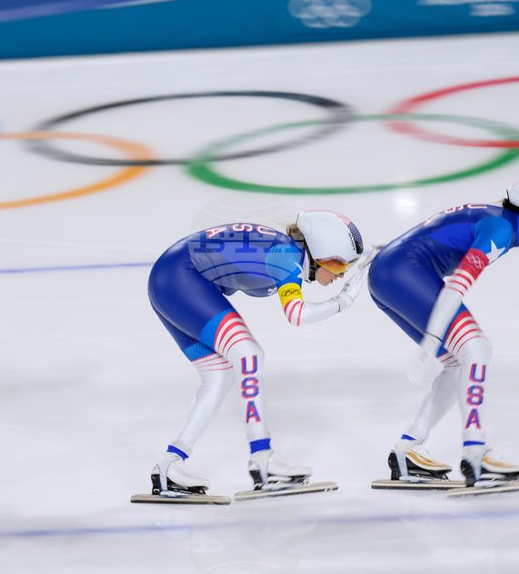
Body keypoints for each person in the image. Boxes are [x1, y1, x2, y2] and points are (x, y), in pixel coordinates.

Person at [367, 175, 519, 487]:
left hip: (391, 271)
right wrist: (430, 343)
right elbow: (456, 286)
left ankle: (407, 449)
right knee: (476, 348)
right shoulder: (503, 229)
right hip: (402, 271)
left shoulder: (501, 218)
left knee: (457, 363)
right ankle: (476, 453)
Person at [146, 211, 369, 496]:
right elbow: (296, 315)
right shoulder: (288, 257)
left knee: (219, 375)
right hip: (181, 277)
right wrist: (343, 301)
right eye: (338, 264)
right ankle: (262, 457)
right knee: (248, 354)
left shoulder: (286, 252)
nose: (340, 275)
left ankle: (170, 464)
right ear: (319, 252)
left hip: (170, 278)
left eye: (347, 267)